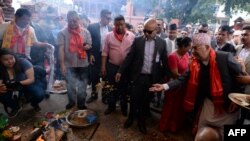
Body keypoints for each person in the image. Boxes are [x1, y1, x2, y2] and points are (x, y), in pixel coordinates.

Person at [150, 33, 245, 139]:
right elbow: (183, 78)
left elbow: (241, 79)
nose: (193, 52)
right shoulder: (195, 63)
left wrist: (236, 100)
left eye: (196, 48)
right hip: (207, 105)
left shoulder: (225, 57)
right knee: (202, 133)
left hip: (228, 107)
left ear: (207, 47)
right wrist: (164, 86)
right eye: (192, 48)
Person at [116, 18, 168, 134]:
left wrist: (166, 79)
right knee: (134, 99)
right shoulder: (138, 40)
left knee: (145, 102)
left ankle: (141, 122)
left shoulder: (161, 43)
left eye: (149, 31)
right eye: (144, 30)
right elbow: (129, 57)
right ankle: (131, 118)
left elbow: (165, 62)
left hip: (151, 78)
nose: (146, 33)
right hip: (138, 77)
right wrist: (120, 71)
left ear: (156, 30)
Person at [57, 11, 92, 110]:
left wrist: (87, 47)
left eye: (75, 20)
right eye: (70, 20)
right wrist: (62, 64)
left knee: (83, 84)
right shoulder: (62, 33)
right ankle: (71, 102)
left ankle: (81, 103)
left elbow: (89, 44)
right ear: (67, 20)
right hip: (69, 64)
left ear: (79, 20)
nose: (72, 22)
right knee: (70, 85)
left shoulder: (86, 32)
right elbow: (61, 49)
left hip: (83, 63)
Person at [101, 15, 135, 115]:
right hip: (112, 66)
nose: (119, 27)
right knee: (111, 88)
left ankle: (124, 108)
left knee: (124, 88)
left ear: (124, 24)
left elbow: (134, 54)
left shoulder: (132, 36)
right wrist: (103, 66)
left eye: (121, 24)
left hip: (126, 69)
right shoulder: (108, 36)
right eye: (117, 25)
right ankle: (111, 107)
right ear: (114, 25)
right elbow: (104, 52)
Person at [160, 37, 192, 132]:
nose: (190, 49)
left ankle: (174, 126)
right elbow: (175, 74)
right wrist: (186, 77)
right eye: (189, 47)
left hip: (182, 85)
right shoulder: (172, 56)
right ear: (182, 46)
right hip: (174, 85)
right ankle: (165, 126)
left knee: (178, 108)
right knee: (170, 106)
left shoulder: (186, 54)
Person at [0, 49, 44, 117]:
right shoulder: (1, 68)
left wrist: (18, 83)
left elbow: (31, 79)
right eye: (5, 59)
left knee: (39, 94)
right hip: (11, 88)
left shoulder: (23, 62)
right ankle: (16, 107)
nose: (10, 61)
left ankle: (34, 103)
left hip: (27, 83)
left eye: (11, 58)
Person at [87, 9, 112, 104]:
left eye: (110, 18)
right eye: (107, 18)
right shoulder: (92, 27)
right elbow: (87, 42)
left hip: (107, 57)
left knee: (106, 77)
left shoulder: (110, 29)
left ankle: (105, 96)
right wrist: (90, 54)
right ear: (101, 17)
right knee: (95, 77)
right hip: (96, 56)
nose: (109, 20)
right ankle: (94, 95)